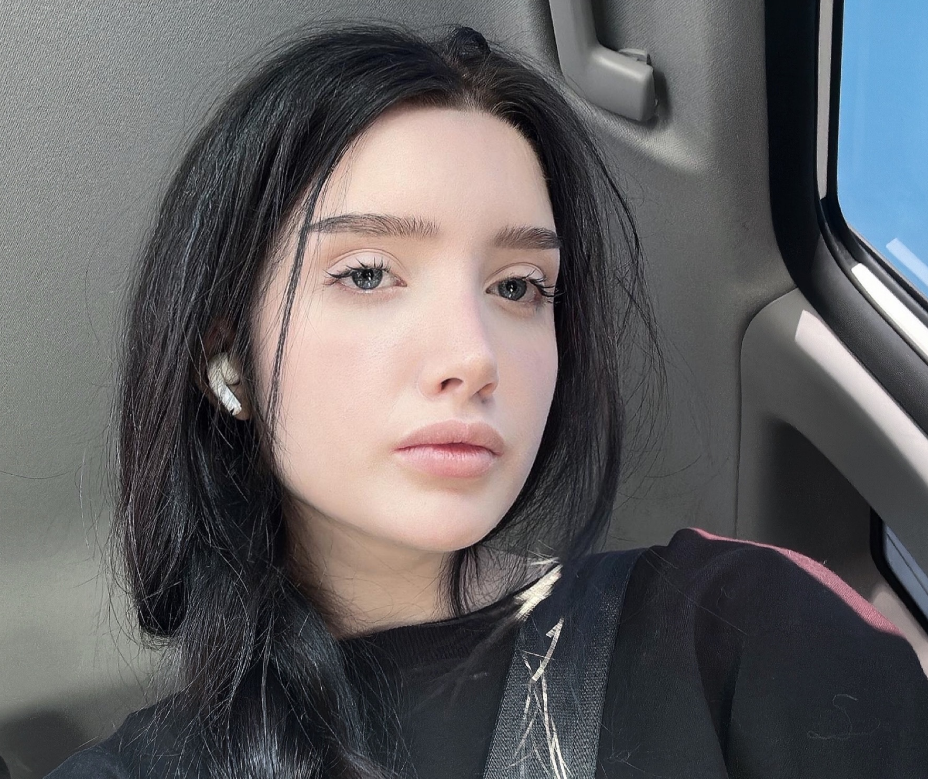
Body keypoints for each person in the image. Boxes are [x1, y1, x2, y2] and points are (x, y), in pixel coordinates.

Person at [47, 20, 928, 779]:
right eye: (368, 273)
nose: (473, 356)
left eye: (517, 287)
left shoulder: (746, 630)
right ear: (229, 362)